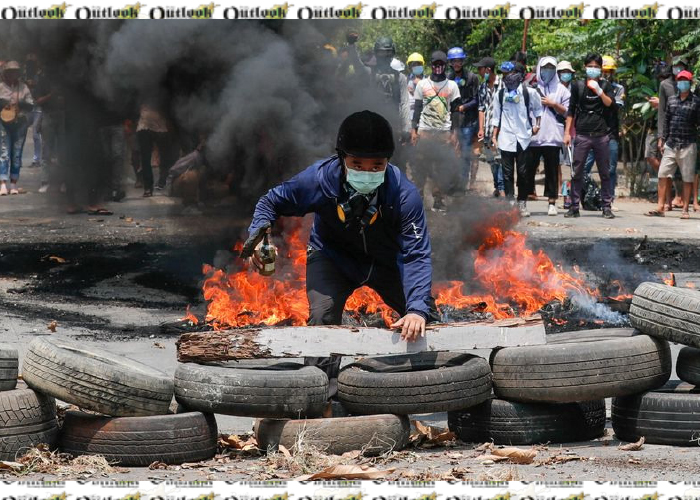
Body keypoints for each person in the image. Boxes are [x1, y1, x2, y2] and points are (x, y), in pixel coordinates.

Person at [243, 110, 438, 344]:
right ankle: (320, 378)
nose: (367, 172)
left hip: (387, 263)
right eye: (357, 163)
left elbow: (416, 255)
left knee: (428, 320)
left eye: (377, 166)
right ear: (341, 158)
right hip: (332, 258)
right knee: (320, 320)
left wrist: (416, 309)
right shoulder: (317, 179)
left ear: (388, 161)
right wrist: (260, 235)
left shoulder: (405, 195)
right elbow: (270, 202)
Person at [563, 53, 616, 219]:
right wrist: (567, 133)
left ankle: (606, 206)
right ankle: (574, 206)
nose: (593, 69)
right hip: (582, 134)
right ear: (585, 67)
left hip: (601, 135)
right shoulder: (578, 86)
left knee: (605, 172)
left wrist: (599, 91)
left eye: (596, 67)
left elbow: (610, 104)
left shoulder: (606, 86)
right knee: (577, 171)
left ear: (600, 69)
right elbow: (571, 110)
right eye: (590, 66)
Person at [410, 51, 462, 211]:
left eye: (441, 64)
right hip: (425, 132)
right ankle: (417, 199)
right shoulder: (422, 85)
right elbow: (417, 108)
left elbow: (455, 111)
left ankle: (438, 200)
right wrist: (414, 130)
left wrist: (455, 133)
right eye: (435, 64)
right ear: (431, 65)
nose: (438, 67)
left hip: (443, 133)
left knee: (441, 168)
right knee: (421, 167)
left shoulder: (452, 85)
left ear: (445, 66)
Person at [491, 62, 543, 217]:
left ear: (519, 76)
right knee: (507, 172)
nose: (508, 77)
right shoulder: (500, 94)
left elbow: (538, 109)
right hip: (506, 138)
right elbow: (496, 117)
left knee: (523, 172)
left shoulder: (529, 93)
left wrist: (537, 126)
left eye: (511, 74)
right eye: (505, 74)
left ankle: (522, 202)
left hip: (524, 137)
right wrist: (494, 136)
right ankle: (510, 203)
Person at [647, 70, 700, 219]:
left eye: (685, 81)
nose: (682, 83)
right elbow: (666, 120)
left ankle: (685, 210)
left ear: (690, 83)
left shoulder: (696, 102)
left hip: (688, 143)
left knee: (687, 177)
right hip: (671, 143)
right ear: (677, 82)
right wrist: (661, 139)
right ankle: (660, 206)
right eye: (680, 80)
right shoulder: (671, 100)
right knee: (663, 174)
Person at [527, 56, 570, 216]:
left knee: (552, 170)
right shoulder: (531, 89)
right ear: (539, 68)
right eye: (545, 68)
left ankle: (552, 202)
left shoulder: (561, 90)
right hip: (533, 137)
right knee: (528, 170)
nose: (548, 71)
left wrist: (553, 104)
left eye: (551, 68)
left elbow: (568, 112)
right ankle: (523, 199)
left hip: (553, 136)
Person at [582, 55, 625, 209]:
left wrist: (601, 92)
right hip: (591, 132)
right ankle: (584, 196)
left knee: (610, 169)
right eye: (604, 71)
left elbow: (614, 106)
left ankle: (609, 199)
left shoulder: (618, 89)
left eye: (609, 71)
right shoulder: (586, 86)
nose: (606, 74)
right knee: (583, 167)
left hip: (610, 133)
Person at [447, 47, 481, 192]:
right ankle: (453, 183)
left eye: (459, 60)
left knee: (465, 153)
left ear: (463, 61)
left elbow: (476, 100)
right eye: (454, 61)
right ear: (450, 63)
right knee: (452, 152)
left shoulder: (472, 77)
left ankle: (463, 183)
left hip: (468, 121)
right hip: (452, 122)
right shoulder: (447, 78)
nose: (457, 64)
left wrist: (463, 107)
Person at [0, 61, 34, 196]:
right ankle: (3, 183)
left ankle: (13, 184)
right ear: (6, 74)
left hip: (20, 123)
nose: (13, 75)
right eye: (10, 72)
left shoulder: (23, 88)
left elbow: (31, 105)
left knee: (17, 153)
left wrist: (22, 104)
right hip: (3, 123)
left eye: (15, 72)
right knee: (4, 152)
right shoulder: (1, 87)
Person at [476, 56, 504, 198]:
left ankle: (502, 188)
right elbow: (481, 109)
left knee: (500, 159)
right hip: (487, 130)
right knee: (492, 161)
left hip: (501, 130)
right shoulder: (482, 87)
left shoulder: (503, 85)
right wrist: (481, 129)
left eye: (480, 69)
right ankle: (497, 187)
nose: (479, 72)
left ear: (488, 69)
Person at [136, 103, 177, 197]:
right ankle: (148, 187)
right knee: (145, 158)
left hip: (160, 124)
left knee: (166, 156)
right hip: (144, 125)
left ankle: (163, 182)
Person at [557, 60, 575, 204]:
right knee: (557, 163)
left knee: (573, 164)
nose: (565, 75)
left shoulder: (575, 89)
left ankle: (569, 193)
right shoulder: (553, 89)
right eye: (563, 72)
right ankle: (559, 191)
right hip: (556, 130)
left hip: (572, 131)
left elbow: (572, 111)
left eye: (568, 72)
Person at [24, 53, 46, 170]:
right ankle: (16, 159)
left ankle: (37, 159)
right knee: (21, 130)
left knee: (36, 134)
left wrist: (35, 85)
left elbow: (44, 88)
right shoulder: (25, 73)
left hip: (38, 107)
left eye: (32, 57)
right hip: (28, 107)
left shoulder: (41, 75)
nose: (30, 60)